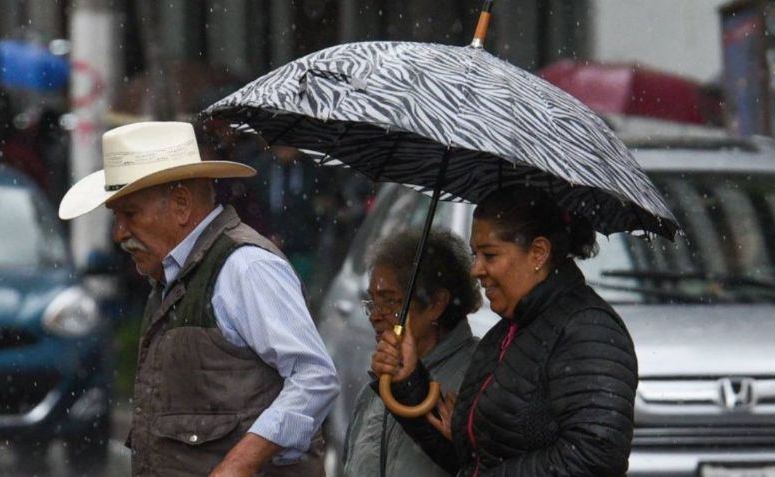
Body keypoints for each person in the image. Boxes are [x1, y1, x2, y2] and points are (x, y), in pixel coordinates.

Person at [58, 121, 339, 477]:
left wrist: (239, 464)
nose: (119, 234)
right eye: (116, 218)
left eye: (130, 214)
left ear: (180, 204)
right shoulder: (171, 278)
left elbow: (314, 377)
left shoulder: (246, 267)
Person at [371, 186, 639, 476]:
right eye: (475, 254)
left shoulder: (588, 330)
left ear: (538, 253)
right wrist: (408, 381)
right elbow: (472, 462)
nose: (476, 270)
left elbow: (595, 457)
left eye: (490, 255)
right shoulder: (505, 334)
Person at [343, 229, 481, 477]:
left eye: (390, 301)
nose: (375, 315)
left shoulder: (477, 375)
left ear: (436, 304)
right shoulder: (374, 391)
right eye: (372, 302)